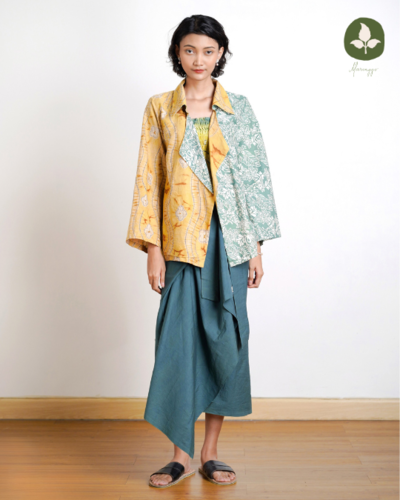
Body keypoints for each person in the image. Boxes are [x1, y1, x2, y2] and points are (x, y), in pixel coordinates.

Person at [126, 14, 281, 489]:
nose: (199, 59)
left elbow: (254, 178)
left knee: (224, 341)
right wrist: (153, 249)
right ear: (178, 52)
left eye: (208, 51)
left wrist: (255, 248)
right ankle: (180, 455)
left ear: (221, 54)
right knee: (177, 344)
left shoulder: (239, 109)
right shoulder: (160, 107)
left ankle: (210, 453)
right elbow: (148, 177)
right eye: (190, 50)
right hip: (179, 242)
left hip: (229, 242)